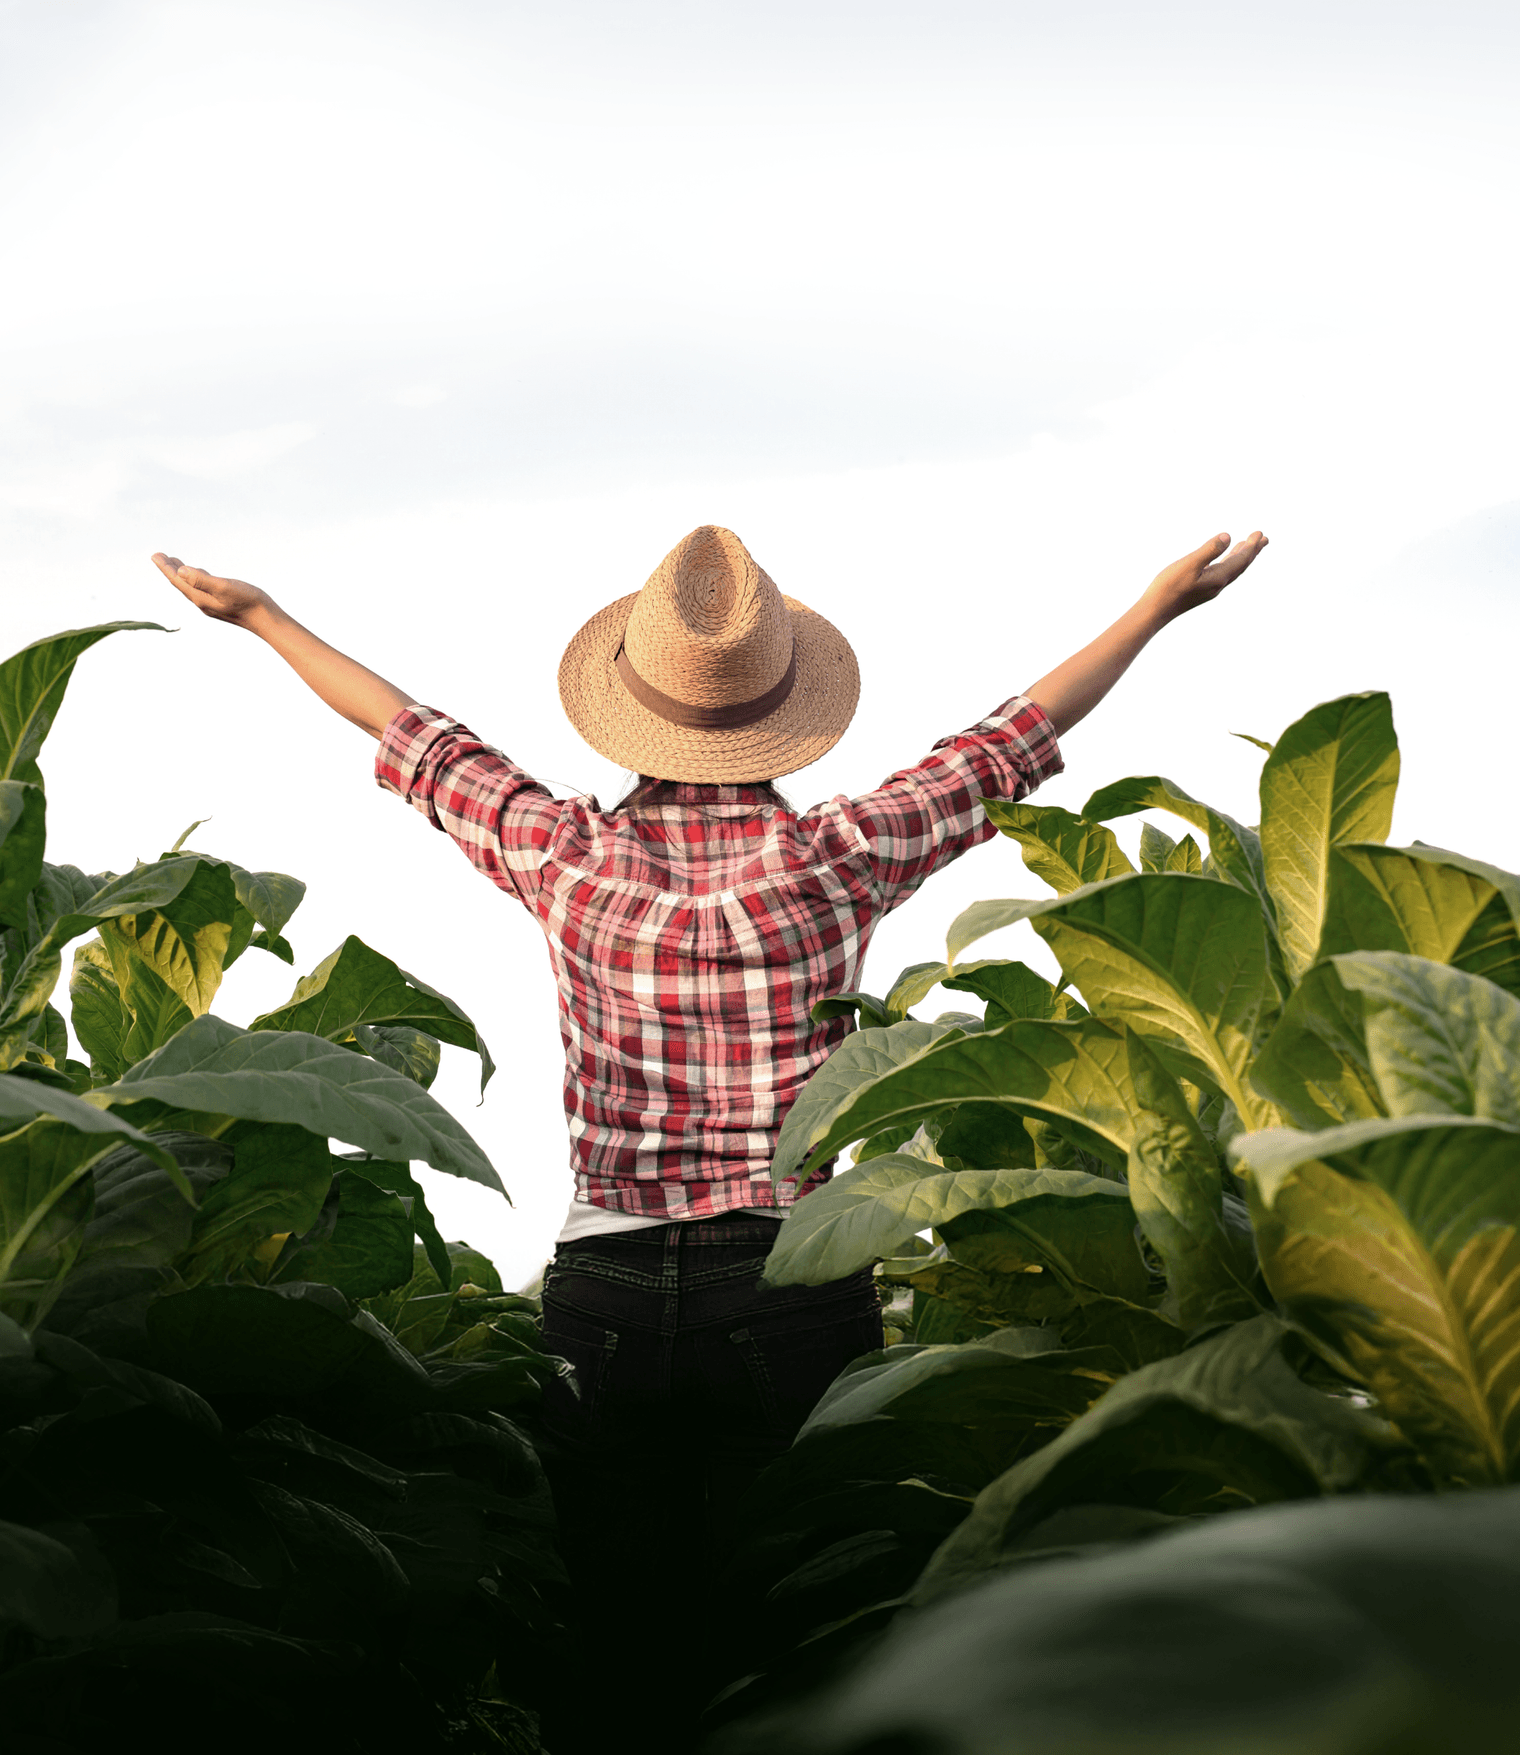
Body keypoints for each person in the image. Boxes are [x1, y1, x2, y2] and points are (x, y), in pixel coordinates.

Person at [152, 522, 1266, 1751]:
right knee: (801, 1629)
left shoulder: (564, 854)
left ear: (629, 708)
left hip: (608, 1290)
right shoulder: (843, 855)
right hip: (794, 1278)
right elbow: (1007, 745)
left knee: (622, 1645)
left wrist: (260, 616)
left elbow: (417, 738)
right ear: (783, 708)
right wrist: (1154, 607)